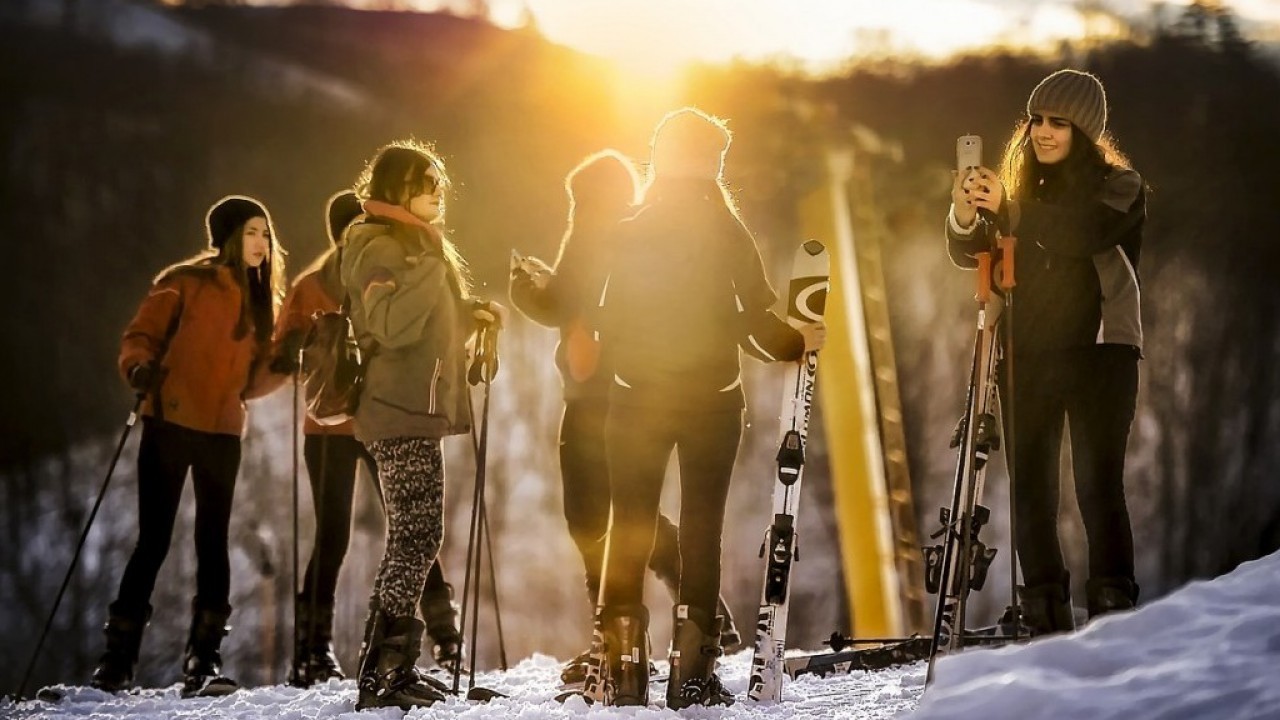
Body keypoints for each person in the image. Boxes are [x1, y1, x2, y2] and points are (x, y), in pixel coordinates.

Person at [596, 108, 826, 708]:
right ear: (710, 163)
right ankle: (691, 675)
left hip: (634, 400)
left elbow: (604, 322)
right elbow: (754, 323)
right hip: (711, 403)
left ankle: (622, 670)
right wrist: (798, 341)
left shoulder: (628, 230)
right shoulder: (727, 230)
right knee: (701, 528)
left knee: (631, 525)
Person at [509, 149, 745, 686]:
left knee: (591, 520)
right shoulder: (643, 235)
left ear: (585, 197)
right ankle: (699, 616)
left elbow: (556, 303)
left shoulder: (592, 230)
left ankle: (612, 644)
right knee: (631, 513)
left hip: (592, 398)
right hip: (637, 392)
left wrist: (522, 285)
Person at [945, 68, 1145, 635]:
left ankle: (1113, 615)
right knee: (1030, 489)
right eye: (1036, 119)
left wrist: (1012, 208)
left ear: (1085, 131)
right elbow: (973, 252)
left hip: (1101, 352)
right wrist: (966, 214)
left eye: (1059, 122)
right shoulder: (1020, 192)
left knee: (1097, 485)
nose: (1043, 131)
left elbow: (1084, 232)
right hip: (1027, 354)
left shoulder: (1121, 186)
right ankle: (1044, 614)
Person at [91, 195, 286, 698]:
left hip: (223, 430)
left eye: (266, 234)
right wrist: (139, 369)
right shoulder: (184, 283)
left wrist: (287, 362)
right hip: (170, 421)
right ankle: (117, 661)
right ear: (226, 237)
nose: (261, 243)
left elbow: (251, 382)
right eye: (251, 232)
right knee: (154, 540)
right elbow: (140, 335)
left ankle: (204, 660)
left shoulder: (263, 302)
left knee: (213, 540)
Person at [270, 191, 464, 688]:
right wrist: (292, 347)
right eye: (351, 227)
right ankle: (316, 649)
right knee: (343, 533)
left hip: (371, 419)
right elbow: (282, 343)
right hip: (332, 427)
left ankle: (439, 635)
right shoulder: (316, 284)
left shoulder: (377, 270)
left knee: (409, 526)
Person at [339, 141, 506, 710]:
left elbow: (423, 321)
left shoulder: (411, 244)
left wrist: (467, 315)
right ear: (396, 187)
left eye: (439, 181)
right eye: (425, 181)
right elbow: (389, 323)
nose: (437, 191)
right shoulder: (379, 244)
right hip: (398, 408)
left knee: (411, 536)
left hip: (411, 404)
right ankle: (387, 670)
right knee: (417, 536)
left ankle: (384, 665)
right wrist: (434, 270)